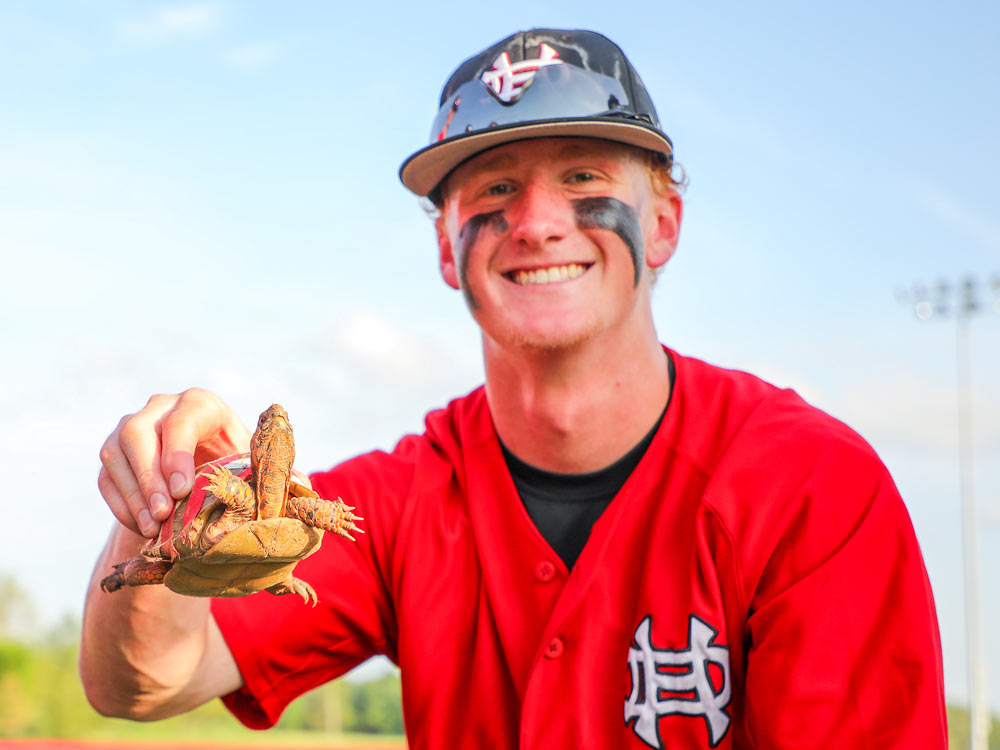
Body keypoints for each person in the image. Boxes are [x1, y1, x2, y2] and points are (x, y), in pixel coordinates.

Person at [80, 28, 948, 748]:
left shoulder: (813, 484)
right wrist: (160, 503)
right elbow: (143, 685)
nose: (536, 223)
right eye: (495, 188)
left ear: (665, 225)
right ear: (445, 248)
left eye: (584, 178)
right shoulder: (402, 497)